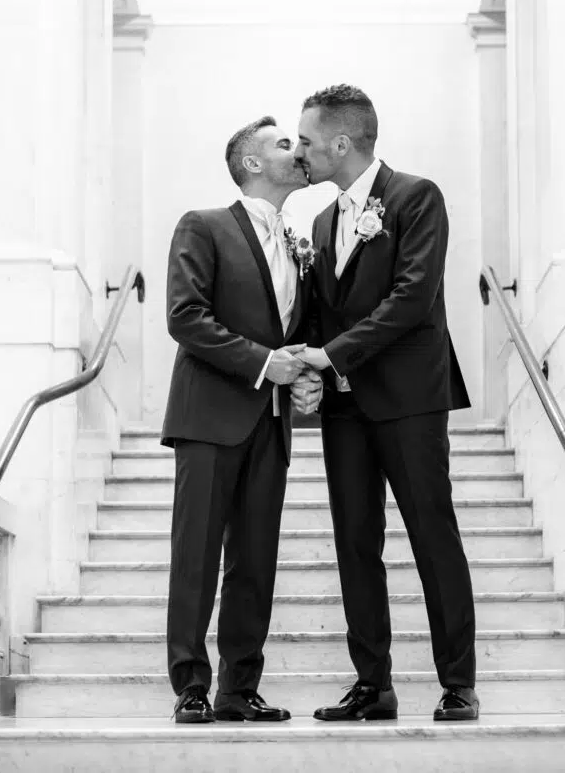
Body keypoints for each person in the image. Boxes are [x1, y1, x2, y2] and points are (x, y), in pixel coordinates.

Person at [292, 84, 479, 722]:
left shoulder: (415, 197)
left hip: (408, 402)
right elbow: (321, 310)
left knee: (433, 536)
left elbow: (412, 297)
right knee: (355, 544)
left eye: (310, 142)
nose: (302, 154)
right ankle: (374, 685)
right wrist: (309, 366)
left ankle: (459, 683)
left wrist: (331, 354)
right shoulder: (320, 222)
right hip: (345, 410)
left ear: (342, 143)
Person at [161, 115, 321, 724]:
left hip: (271, 423)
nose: (297, 149)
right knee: (196, 557)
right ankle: (191, 686)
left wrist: (303, 374)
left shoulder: (299, 242)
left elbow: (293, 333)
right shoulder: (202, 226)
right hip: (209, 417)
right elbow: (185, 315)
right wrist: (263, 365)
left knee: (255, 562)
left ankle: (237, 689)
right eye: (284, 143)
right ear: (253, 164)